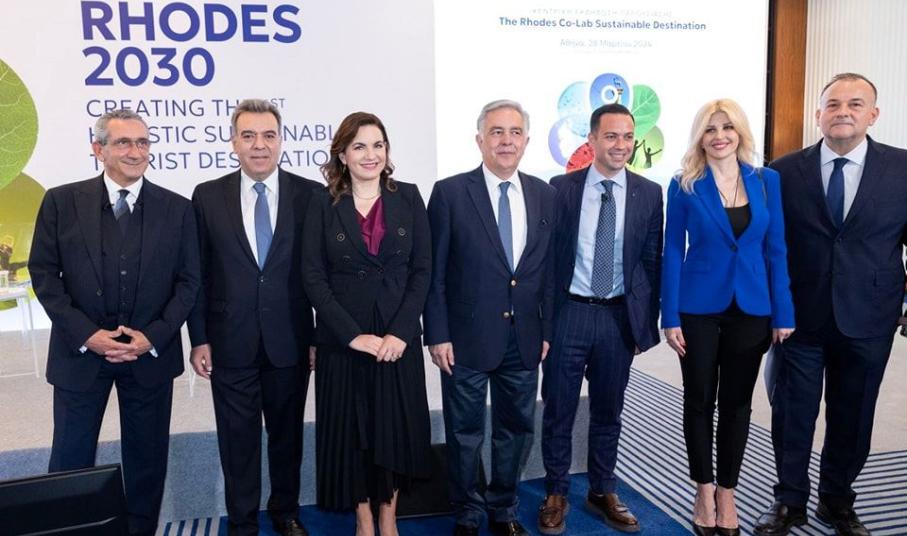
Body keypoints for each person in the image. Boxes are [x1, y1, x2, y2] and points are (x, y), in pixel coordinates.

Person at [28, 109, 200, 536]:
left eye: (143, 142)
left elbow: (189, 281)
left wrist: (152, 337)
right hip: (80, 355)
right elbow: (44, 274)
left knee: (147, 460)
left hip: (149, 356)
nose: (135, 152)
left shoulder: (178, 208)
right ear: (98, 149)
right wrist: (87, 334)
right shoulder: (61, 202)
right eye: (124, 142)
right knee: (70, 458)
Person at [754, 73, 907, 536]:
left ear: (873, 114)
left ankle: (837, 500)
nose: (843, 112)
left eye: (855, 104)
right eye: (833, 104)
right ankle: (789, 501)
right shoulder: (782, 172)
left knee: (853, 414)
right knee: (792, 414)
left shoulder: (902, 168)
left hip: (870, 316)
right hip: (799, 318)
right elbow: (767, 246)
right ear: (818, 114)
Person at [660, 99, 795, 536]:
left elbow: (776, 249)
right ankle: (703, 489)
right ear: (700, 137)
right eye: (710, 129)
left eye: (727, 127)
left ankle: (727, 493)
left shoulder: (766, 181)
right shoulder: (683, 184)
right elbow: (671, 253)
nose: (720, 136)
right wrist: (669, 315)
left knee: (737, 404)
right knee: (698, 400)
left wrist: (783, 311)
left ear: (740, 132)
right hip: (697, 309)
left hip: (752, 309)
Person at [187, 99, 320, 536]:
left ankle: (286, 513)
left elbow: (322, 274)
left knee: (287, 437)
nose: (259, 145)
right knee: (237, 441)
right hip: (229, 341)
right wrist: (199, 338)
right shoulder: (207, 196)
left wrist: (318, 336)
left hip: (291, 340)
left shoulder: (311, 195)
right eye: (248, 136)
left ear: (281, 141)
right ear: (233, 142)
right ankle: (242, 522)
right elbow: (197, 273)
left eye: (268, 135)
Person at [424, 99, 556, 536]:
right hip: (463, 339)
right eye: (497, 132)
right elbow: (434, 272)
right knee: (464, 433)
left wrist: (546, 330)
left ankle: (503, 509)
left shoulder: (544, 194)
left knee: (516, 429)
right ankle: (466, 512)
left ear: (527, 141)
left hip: (525, 337)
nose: (506, 141)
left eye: (515, 132)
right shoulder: (450, 193)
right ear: (479, 139)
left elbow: (549, 271)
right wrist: (437, 333)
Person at [301, 111, 432, 536]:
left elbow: (423, 270)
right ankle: (363, 521)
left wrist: (401, 331)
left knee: (393, 431)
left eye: (378, 145)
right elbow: (313, 277)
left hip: (397, 339)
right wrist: (351, 335)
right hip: (344, 341)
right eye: (359, 146)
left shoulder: (408, 197)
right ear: (342, 154)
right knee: (351, 434)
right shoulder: (321, 203)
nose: (370, 155)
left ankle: (389, 519)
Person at [538, 103, 663, 535]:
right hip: (569, 314)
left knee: (609, 411)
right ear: (591, 140)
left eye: (627, 136)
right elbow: (548, 260)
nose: (620, 145)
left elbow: (651, 262)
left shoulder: (649, 193)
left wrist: (643, 324)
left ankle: (602, 489)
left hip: (617, 319)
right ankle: (556, 491)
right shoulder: (561, 188)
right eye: (611, 136)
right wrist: (544, 323)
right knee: (559, 409)